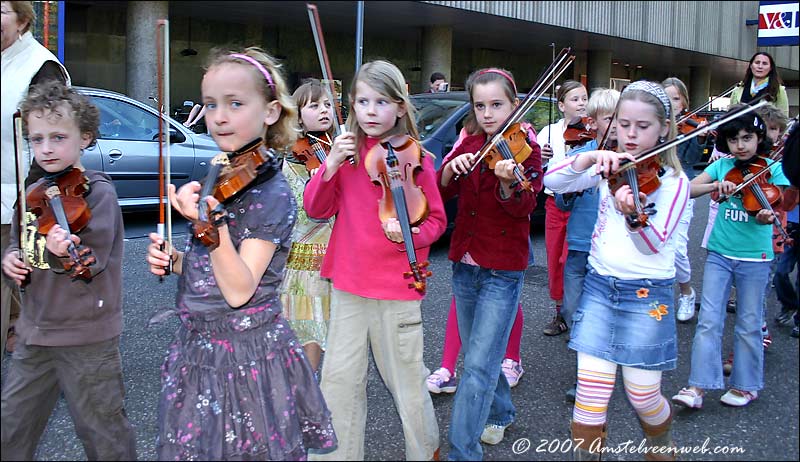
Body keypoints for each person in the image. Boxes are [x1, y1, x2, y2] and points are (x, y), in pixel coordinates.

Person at [145, 47, 336, 460]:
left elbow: (239, 290)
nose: (219, 116)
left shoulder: (272, 192)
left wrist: (213, 231)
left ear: (270, 112)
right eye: (210, 104)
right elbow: (210, 268)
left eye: (235, 103)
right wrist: (176, 259)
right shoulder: (221, 172)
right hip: (201, 349)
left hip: (245, 358)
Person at [304, 60, 445, 461]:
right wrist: (329, 166)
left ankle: (425, 453)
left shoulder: (416, 159)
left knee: (408, 385)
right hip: (348, 286)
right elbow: (316, 209)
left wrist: (413, 235)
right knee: (339, 384)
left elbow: (436, 219)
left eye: (381, 101)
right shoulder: (344, 155)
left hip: (397, 287)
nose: (370, 110)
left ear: (400, 107)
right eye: (362, 101)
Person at [545, 80, 690, 460]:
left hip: (647, 295)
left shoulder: (674, 183)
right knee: (590, 398)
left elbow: (653, 244)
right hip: (599, 288)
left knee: (643, 395)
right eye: (624, 124)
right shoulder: (609, 163)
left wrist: (632, 216)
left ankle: (661, 446)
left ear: (664, 128)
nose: (630, 134)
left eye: (643, 127)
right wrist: (588, 158)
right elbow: (551, 180)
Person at [1, 81, 136, 460]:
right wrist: (11, 257)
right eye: (36, 138)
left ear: (85, 138)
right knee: (12, 426)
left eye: (58, 137)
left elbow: (92, 260)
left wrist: (65, 253)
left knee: (102, 430)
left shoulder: (97, 194)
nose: (46, 148)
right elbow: (19, 239)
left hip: (86, 336)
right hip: (35, 331)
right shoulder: (33, 194)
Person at [438, 67, 542, 458]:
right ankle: (501, 410)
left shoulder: (524, 149)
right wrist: (449, 169)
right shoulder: (469, 144)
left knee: (478, 365)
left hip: (502, 269)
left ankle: (461, 451)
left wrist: (506, 184)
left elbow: (527, 208)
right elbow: (438, 192)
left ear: (514, 105)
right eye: (480, 105)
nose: (488, 113)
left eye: (497, 104)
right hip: (464, 264)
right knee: (479, 353)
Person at [672, 105, 789, 410]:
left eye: (747, 138)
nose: (741, 145)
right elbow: (688, 188)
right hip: (719, 253)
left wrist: (767, 216)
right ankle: (697, 386)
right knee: (709, 321)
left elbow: (780, 203)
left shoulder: (772, 168)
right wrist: (714, 185)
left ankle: (746, 385)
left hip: (755, 258)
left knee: (749, 322)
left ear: (758, 137)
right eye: (734, 139)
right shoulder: (723, 167)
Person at [1, 0, 70, 355]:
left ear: (24, 19)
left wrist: (28, 202)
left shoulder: (41, 68)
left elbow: (53, 141)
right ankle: (25, 344)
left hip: (15, 199)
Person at [554, 87, 620, 402]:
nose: (619, 126)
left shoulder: (632, 157)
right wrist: (568, 190)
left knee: (599, 315)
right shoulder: (580, 154)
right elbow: (561, 201)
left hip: (609, 248)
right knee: (573, 309)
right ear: (592, 122)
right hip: (581, 242)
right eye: (611, 119)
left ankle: (589, 379)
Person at [282, 78, 335, 375]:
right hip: (304, 260)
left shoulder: (334, 150)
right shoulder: (290, 159)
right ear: (297, 115)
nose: (324, 110)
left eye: (328, 104)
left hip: (336, 258)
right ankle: (306, 392)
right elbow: (306, 209)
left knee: (333, 333)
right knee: (308, 330)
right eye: (314, 105)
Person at [538, 80, 588, 336]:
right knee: (555, 259)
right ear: (561, 105)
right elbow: (536, 171)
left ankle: (582, 312)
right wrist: (541, 159)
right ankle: (561, 312)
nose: (581, 103)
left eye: (584, 98)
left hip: (583, 203)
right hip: (555, 203)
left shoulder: (593, 130)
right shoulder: (548, 132)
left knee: (575, 259)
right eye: (575, 99)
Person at [662, 77, 702, 322]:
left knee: (677, 248)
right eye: (667, 98)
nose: (672, 103)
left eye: (676, 98)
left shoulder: (690, 127)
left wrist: (693, 135)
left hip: (682, 189)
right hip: (655, 187)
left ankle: (686, 292)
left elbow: (694, 158)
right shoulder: (654, 125)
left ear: (685, 101)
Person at [730, 52, 789, 116]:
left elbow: (783, 119)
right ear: (751, 65)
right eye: (757, 63)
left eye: (764, 63)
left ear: (770, 68)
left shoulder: (779, 90)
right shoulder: (739, 87)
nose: (760, 66)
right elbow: (730, 113)